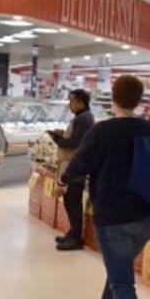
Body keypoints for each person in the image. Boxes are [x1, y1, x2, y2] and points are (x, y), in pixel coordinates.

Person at [55, 75, 150, 299]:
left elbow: (80, 165)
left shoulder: (103, 132)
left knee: (122, 281)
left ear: (113, 97)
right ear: (138, 99)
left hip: (114, 218)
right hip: (146, 217)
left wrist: (63, 179)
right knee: (121, 267)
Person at [47, 89, 95, 251]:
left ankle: (76, 238)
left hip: (75, 166)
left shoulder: (83, 119)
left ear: (80, 102)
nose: (69, 104)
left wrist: (57, 138)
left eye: (71, 101)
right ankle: (73, 232)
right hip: (73, 164)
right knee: (69, 200)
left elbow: (74, 143)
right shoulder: (82, 118)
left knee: (73, 200)